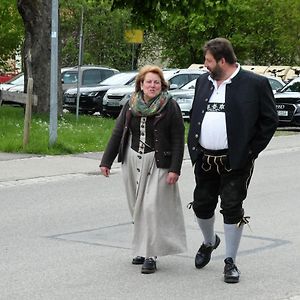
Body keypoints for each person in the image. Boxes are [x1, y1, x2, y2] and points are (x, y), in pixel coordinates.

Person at [187, 37, 278, 283]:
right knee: (201, 205)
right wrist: (193, 148)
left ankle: (230, 261)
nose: (204, 64)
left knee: (231, 207)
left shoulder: (255, 84)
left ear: (222, 60)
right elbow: (196, 114)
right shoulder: (202, 83)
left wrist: (250, 151)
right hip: (205, 157)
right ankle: (209, 242)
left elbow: (270, 121)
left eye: (208, 60)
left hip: (236, 160)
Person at [100, 65, 187, 274]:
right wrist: (106, 161)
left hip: (158, 161)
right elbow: (118, 131)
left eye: (156, 82)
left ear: (162, 85)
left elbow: (178, 138)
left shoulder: (170, 106)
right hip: (132, 158)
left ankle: (151, 254)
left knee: (151, 208)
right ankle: (140, 248)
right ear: (140, 83)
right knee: (136, 206)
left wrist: (175, 168)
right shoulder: (130, 104)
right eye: (148, 81)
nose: (152, 85)